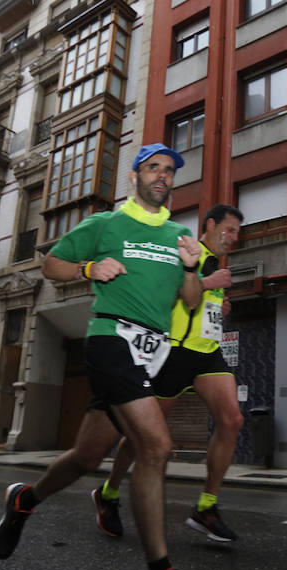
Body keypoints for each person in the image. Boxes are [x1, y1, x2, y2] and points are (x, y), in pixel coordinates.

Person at [0, 143, 219, 570]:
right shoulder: (107, 222)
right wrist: (90, 266)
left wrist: (192, 267)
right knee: (155, 445)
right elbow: (51, 264)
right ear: (134, 177)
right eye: (153, 168)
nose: (162, 176)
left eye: (169, 171)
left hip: (151, 351)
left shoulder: (179, 234)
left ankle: (24, 500)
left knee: (88, 456)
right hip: (111, 339)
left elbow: (190, 300)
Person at [93, 204, 244, 543]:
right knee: (141, 436)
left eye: (237, 233)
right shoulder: (183, 249)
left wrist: (218, 304)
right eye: (229, 230)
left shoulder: (217, 263)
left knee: (232, 420)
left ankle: (206, 507)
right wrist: (206, 283)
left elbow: (197, 304)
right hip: (172, 353)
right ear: (209, 225)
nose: (234, 239)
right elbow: (160, 291)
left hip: (206, 353)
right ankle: (109, 492)